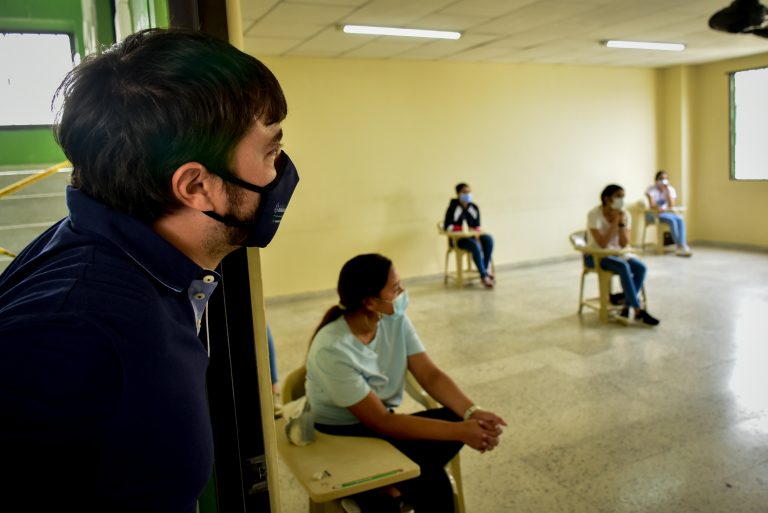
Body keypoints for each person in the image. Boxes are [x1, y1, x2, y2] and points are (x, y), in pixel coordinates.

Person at [0, 29, 299, 512]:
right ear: (197, 186)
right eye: (269, 152)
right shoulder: (76, 334)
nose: (281, 170)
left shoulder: (122, 256)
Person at [306, 254, 507, 512]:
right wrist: (462, 432)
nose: (402, 293)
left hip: (381, 422)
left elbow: (430, 374)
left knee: (456, 419)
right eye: (395, 288)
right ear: (369, 301)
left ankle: (384, 488)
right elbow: (382, 422)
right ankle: (382, 487)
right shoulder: (332, 349)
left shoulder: (392, 319)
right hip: (342, 435)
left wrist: (472, 412)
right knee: (435, 487)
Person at [586, 185, 660, 327]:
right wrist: (614, 221)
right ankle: (638, 310)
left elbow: (624, 243)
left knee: (640, 268)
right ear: (607, 198)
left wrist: (620, 224)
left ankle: (627, 306)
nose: (622, 200)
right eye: (618, 196)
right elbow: (602, 243)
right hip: (597, 256)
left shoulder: (625, 215)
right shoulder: (594, 214)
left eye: (623, 196)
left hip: (617, 254)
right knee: (623, 267)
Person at [443, 182, 495, 288]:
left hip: (473, 236)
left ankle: (483, 270)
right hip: (459, 240)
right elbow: (447, 226)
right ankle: (484, 276)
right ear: (458, 194)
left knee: (488, 240)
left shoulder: (474, 207)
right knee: (475, 245)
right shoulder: (452, 208)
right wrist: (462, 228)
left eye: (469, 192)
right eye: (464, 192)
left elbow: (477, 226)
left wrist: (475, 231)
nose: (467, 194)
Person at [646, 170, 692, 257]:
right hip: (655, 214)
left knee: (680, 219)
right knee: (672, 220)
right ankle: (679, 247)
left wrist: (667, 191)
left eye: (666, 178)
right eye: (661, 178)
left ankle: (682, 245)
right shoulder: (651, 189)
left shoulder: (670, 189)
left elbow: (671, 205)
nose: (664, 180)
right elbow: (652, 205)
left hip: (667, 213)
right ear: (656, 180)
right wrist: (657, 208)